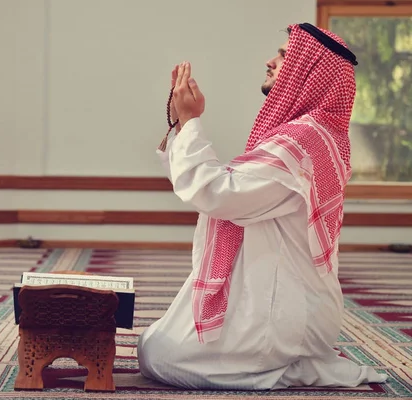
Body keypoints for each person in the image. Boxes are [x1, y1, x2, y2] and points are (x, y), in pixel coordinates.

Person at [137, 23, 389, 390]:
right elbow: (226, 191)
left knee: (157, 353)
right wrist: (182, 124)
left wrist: (191, 122)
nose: (270, 61)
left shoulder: (304, 143)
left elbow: (219, 193)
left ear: (309, 70)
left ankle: (295, 368)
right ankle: (296, 361)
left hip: (283, 313)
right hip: (280, 301)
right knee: (158, 338)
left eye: (284, 55)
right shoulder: (310, 136)